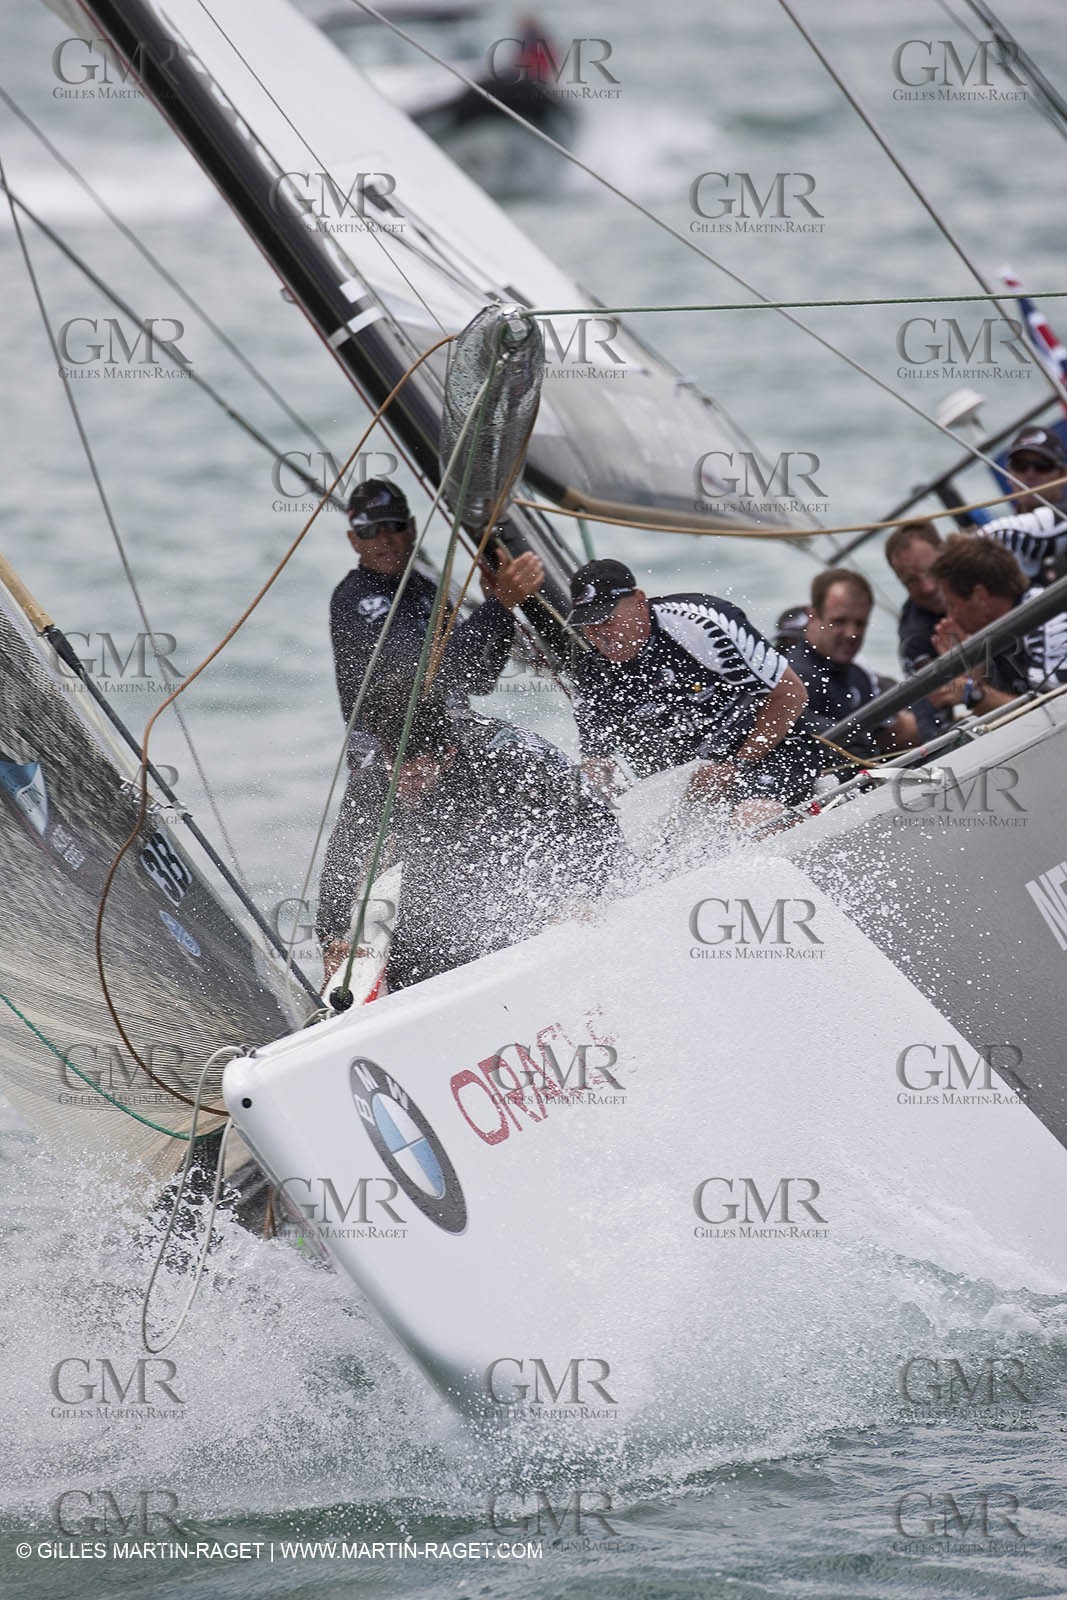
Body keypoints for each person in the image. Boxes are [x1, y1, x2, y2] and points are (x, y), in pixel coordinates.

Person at [317, 678, 627, 991]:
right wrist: (331, 937)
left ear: (448, 755)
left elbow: (595, 821)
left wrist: (582, 894)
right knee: (417, 957)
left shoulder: (507, 756)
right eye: (393, 774)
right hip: (437, 869)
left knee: (513, 917)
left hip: (521, 862)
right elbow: (343, 856)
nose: (401, 787)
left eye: (415, 776)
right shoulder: (374, 778)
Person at [565, 559, 824, 815]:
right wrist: (598, 793)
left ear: (639, 601)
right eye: (589, 625)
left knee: (751, 816)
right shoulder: (592, 667)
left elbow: (791, 694)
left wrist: (736, 766)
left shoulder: (697, 624)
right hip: (697, 777)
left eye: (608, 620)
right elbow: (596, 758)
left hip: (773, 748)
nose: (600, 634)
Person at [329, 478, 543, 734]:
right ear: (354, 540)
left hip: (446, 740)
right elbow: (427, 670)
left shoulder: (426, 587)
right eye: (369, 531)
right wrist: (499, 604)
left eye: (392, 526)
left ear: (411, 528)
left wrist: (501, 608)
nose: (384, 539)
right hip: (388, 756)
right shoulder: (356, 599)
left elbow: (478, 679)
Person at [926, 535, 1067, 714]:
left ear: (979, 597)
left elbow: (1055, 714)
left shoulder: (1047, 624)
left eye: (953, 605)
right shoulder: (1001, 635)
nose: (950, 617)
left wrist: (971, 693)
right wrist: (973, 666)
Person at [786, 569, 917, 760]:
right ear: (813, 617)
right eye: (839, 622)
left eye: (860, 623)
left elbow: (880, 741)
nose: (851, 634)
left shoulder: (859, 675)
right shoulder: (795, 680)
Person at [884, 519, 952, 742]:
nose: (928, 588)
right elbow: (929, 721)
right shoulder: (915, 638)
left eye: (932, 572)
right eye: (911, 581)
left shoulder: (987, 570)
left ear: (945, 553)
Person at [981, 427, 1067, 585]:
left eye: (1042, 465)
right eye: (1020, 465)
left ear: (1063, 475)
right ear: (1009, 475)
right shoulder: (998, 541)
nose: (1030, 474)